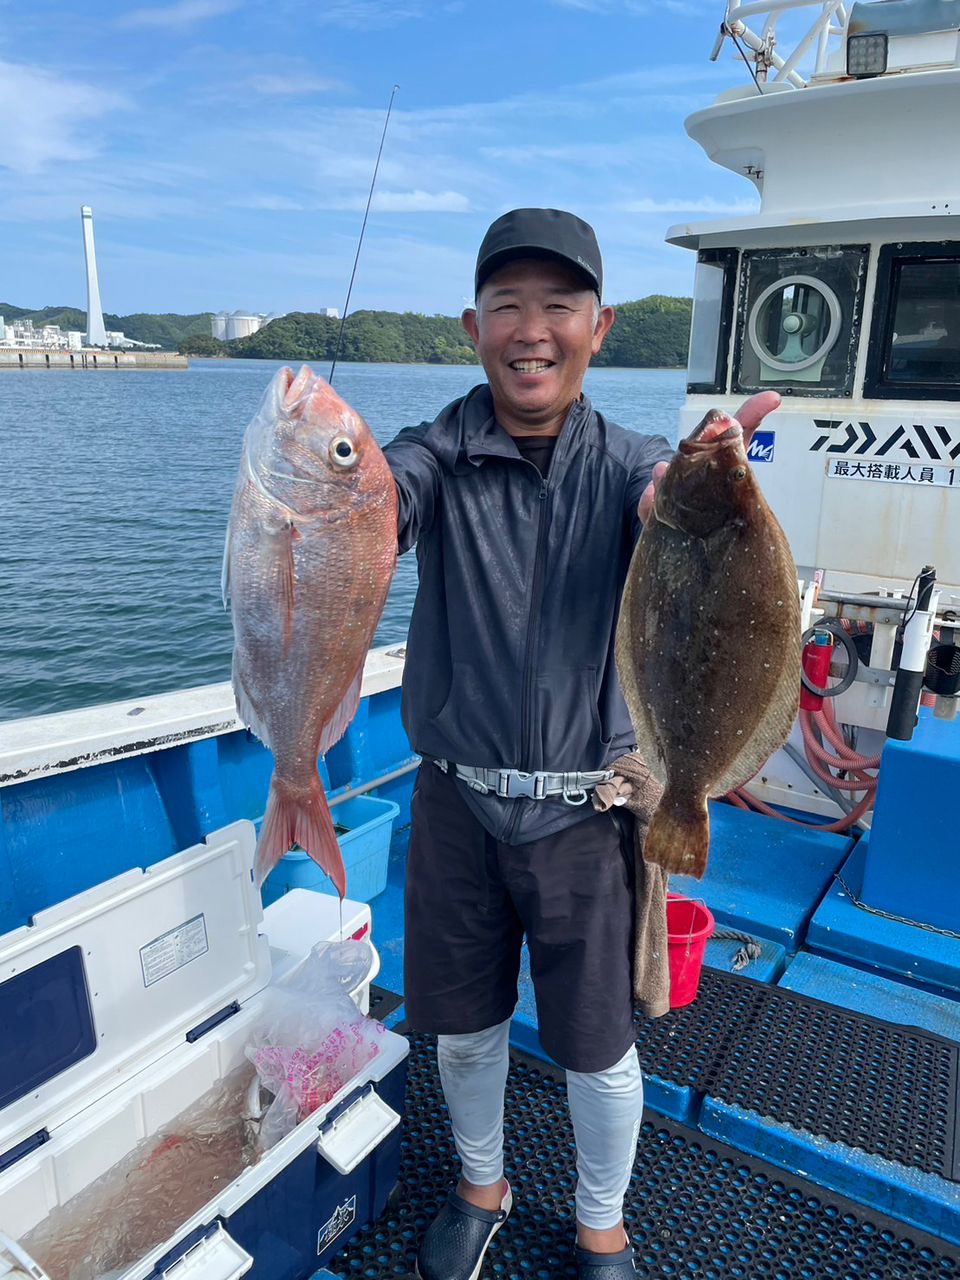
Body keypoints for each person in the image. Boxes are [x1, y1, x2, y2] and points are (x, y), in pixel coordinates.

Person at [383, 208, 779, 1280]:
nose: (532, 328)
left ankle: (601, 1221)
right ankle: (482, 1182)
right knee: (461, 1029)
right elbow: (385, 495)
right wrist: (343, 493)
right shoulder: (437, 452)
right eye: (508, 304)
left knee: (599, 1046)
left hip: (587, 811)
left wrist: (699, 479)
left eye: (558, 305)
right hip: (458, 804)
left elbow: (664, 501)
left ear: (597, 329)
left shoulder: (632, 465)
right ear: (473, 326)